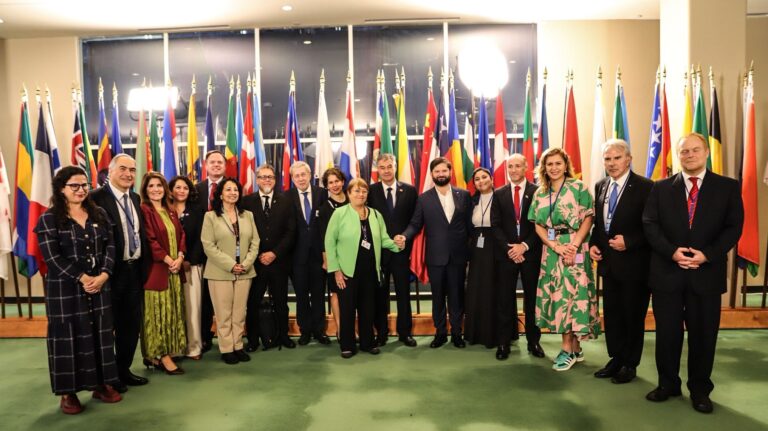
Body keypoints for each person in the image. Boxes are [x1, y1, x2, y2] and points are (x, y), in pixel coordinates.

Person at [642, 133, 743, 413]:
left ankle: (699, 390)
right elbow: (650, 223)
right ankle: (668, 384)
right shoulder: (660, 188)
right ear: (678, 155)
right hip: (667, 272)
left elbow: (733, 227)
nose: (689, 155)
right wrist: (671, 252)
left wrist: (708, 254)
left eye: (695, 150)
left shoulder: (727, 187)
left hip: (706, 273)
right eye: (684, 151)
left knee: (703, 335)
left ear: (706, 152)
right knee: (667, 334)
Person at [34, 166, 122, 414]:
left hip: (99, 286)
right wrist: (82, 277)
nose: (81, 190)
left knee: (100, 335)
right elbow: (52, 258)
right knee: (67, 339)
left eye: (84, 184)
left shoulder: (100, 214)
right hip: (65, 292)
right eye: (74, 185)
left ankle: (101, 384)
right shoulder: (49, 219)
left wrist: (104, 274)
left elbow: (111, 248)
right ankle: (68, 393)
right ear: (61, 189)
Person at [528, 148, 600, 371]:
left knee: (573, 296)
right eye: (549, 164)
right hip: (552, 250)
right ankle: (575, 347)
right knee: (558, 296)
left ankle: (567, 348)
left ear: (565, 164)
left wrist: (573, 246)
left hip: (576, 245)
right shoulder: (540, 192)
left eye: (558, 163)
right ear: (544, 167)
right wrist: (555, 246)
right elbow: (538, 225)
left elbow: (588, 218)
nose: (554, 168)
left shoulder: (578, 187)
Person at [589, 139, 653, 384]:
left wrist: (630, 241)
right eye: (607, 159)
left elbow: (652, 226)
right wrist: (594, 244)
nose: (612, 163)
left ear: (628, 159)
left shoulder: (647, 187)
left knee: (632, 316)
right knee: (613, 315)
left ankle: (629, 363)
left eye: (617, 158)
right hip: (609, 265)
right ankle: (615, 358)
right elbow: (599, 224)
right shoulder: (600, 185)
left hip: (636, 265)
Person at [396, 157, 473, 349]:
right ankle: (440, 333)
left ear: (450, 172)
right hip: (435, 257)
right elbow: (415, 224)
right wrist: (404, 237)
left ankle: (457, 333)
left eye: (444, 171)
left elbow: (470, 226)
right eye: (437, 171)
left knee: (457, 296)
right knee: (438, 297)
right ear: (432, 174)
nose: (440, 174)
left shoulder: (463, 195)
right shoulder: (423, 198)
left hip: (458, 256)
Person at [90, 154, 149, 391]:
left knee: (130, 326)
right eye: (123, 169)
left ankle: (123, 370)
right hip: (108, 274)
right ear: (110, 171)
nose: (128, 174)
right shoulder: (94, 199)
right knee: (105, 328)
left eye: (133, 170)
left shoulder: (135, 198)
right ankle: (105, 378)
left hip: (134, 272)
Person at [325, 178, 401, 358]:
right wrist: (336, 270)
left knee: (368, 309)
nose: (361, 194)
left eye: (364, 191)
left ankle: (367, 343)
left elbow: (383, 239)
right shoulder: (339, 213)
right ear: (349, 194)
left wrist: (398, 244)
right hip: (346, 272)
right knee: (347, 309)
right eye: (356, 191)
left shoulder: (375, 214)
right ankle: (347, 345)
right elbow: (329, 242)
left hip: (370, 271)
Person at [490, 154, 544, 361]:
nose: (513, 170)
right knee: (504, 300)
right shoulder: (499, 193)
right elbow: (495, 225)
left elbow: (541, 224)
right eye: (510, 166)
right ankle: (504, 342)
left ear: (526, 167)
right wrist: (510, 249)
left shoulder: (538, 192)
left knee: (532, 300)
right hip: (506, 256)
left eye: (517, 166)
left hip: (530, 254)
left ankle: (533, 341)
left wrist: (525, 246)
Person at [201, 178, 261, 364]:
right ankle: (227, 348)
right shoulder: (210, 217)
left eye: (236, 190)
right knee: (223, 313)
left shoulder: (247, 215)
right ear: (221, 194)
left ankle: (238, 345)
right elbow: (208, 245)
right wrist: (230, 265)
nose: (233, 192)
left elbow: (255, 242)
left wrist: (246, 263)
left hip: (244, 271)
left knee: (239, 312)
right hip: (220, 272)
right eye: (228, 189)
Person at [241, 164, 296, 351]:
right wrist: (256, 255)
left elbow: (291, 232)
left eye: (270, 177)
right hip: (254, 263)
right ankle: (253, 340)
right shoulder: (246, 202)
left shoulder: (286, 201)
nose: (266, 180)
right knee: (253, 302)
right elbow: (242, 232)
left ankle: (283, 336)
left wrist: (274, 253)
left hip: (279, 262)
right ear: (257, 180)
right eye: (263, 177)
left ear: (275, 180)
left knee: (281, 302)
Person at [367, 153, 418, 347]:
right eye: (382, 167)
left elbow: (415, 220)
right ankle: (381, 333)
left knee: (404, 294)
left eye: (389, 166)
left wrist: (405, 236)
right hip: (378, 253)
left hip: (401, 251)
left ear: (395, 167)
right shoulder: (370, 191)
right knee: (379, 295)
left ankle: (405, 333)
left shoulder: (410, 191)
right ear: (377, 170)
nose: (386, 170)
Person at [139, 172, 187, 375]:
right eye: (151, 186)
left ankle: (163, 353)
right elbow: (150, 240)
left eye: (159, 185)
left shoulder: (171, 210)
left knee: (172, 312)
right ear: (145, 189)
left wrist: (181, 257)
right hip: (157, 271)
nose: (156, 189)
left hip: (175, 269)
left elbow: (181, 234)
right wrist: (168, 260)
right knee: (157, 314)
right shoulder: (144, 210)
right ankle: (160, 354)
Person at [288, 161, 331, 346]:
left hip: (319, 255)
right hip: (297, 256)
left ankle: (319, 330)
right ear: (292, 179)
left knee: (319, 293)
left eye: (303, 175)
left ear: (310, 174)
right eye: (296, 176)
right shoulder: (286, 197)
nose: (300, 178)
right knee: (301, 295)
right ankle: (305, 330)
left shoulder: (323, 194)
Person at [194, 150, 227, 353]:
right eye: (212, 162)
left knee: (225, 298)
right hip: (200, 253)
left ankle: (229, 336)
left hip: (226, 252)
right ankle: (205, 336)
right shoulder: (195, 190)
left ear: (224, 166)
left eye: (219, 162)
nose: (216, 165)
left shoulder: (231, 187)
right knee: (203, 298)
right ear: (206, 165)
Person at [169, 175, 205, 360]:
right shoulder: (163, 209)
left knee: (192, 308)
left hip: (192, 266)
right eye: (178, 187)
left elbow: (201, 239)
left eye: (185, 188)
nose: (181, 191)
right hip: (168, 267)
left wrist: (190, 260)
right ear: (171, 190)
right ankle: (175, 349)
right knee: (174, 309)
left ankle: (194, 347)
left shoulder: (198, 211)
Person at [463, 167, 497, 348]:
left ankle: (494, 335)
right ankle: (475, 333)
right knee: (476, 289)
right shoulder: (471, 201)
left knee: (493, 289)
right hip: (476, 248)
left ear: (491, 179)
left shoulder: (500, 197)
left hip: (495, 247)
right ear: (474, 183)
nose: (481, 181)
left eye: (484, 177)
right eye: (477, 179)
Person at [317, 167, 348, 339]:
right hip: (334, 257)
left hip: (353, 256)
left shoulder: (353, 201)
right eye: (331, 182)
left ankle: (352, 327)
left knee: (352, 294)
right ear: (326, 186)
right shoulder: (325, 208)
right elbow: (323, 237)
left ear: (343, 181)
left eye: (337, 181)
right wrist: (327, 260)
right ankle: (341, 330)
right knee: (336, 293)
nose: (335, 185)